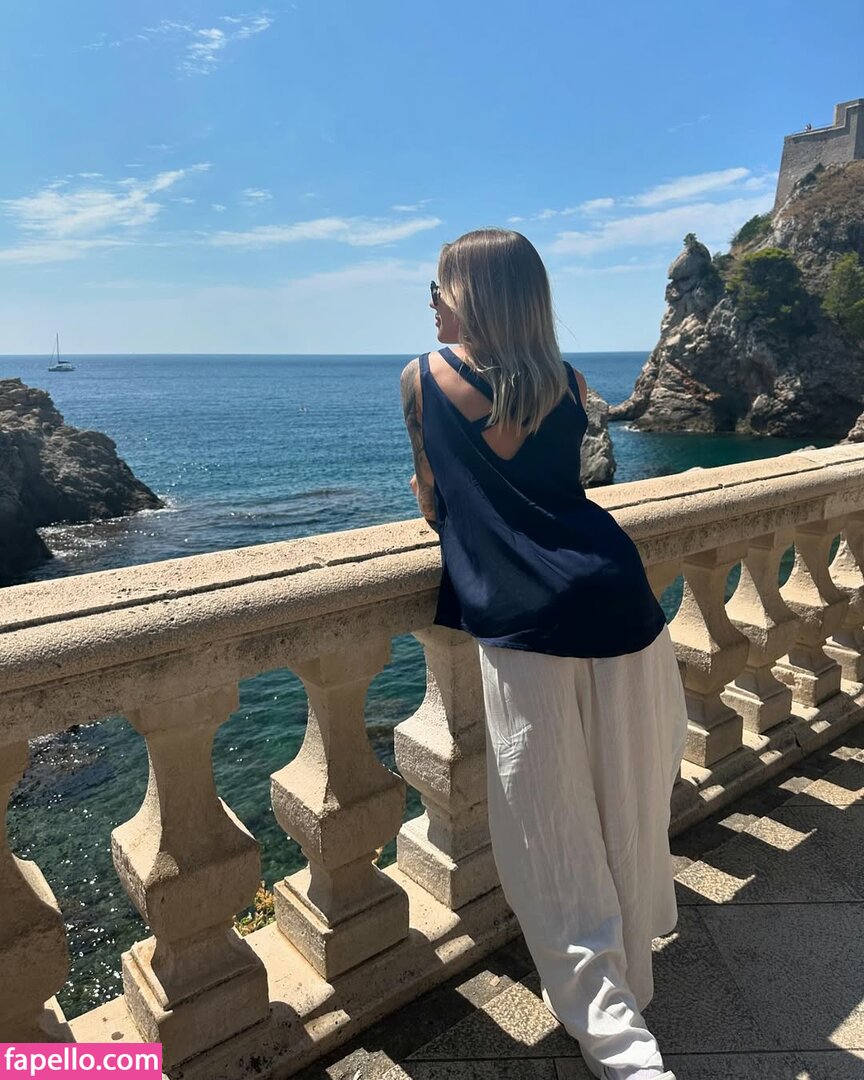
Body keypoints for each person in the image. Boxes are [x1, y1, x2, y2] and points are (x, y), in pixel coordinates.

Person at [400, 228, 688, 1080]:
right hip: (620, 600)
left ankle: (619, 1042)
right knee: (628, 803)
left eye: (439, 286)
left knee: (551, 837)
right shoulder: (568, 381)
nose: (430, 300)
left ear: (471, 295)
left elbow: (431, 499)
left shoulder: (422, 378)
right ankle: (630, 983)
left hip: (526, 624)